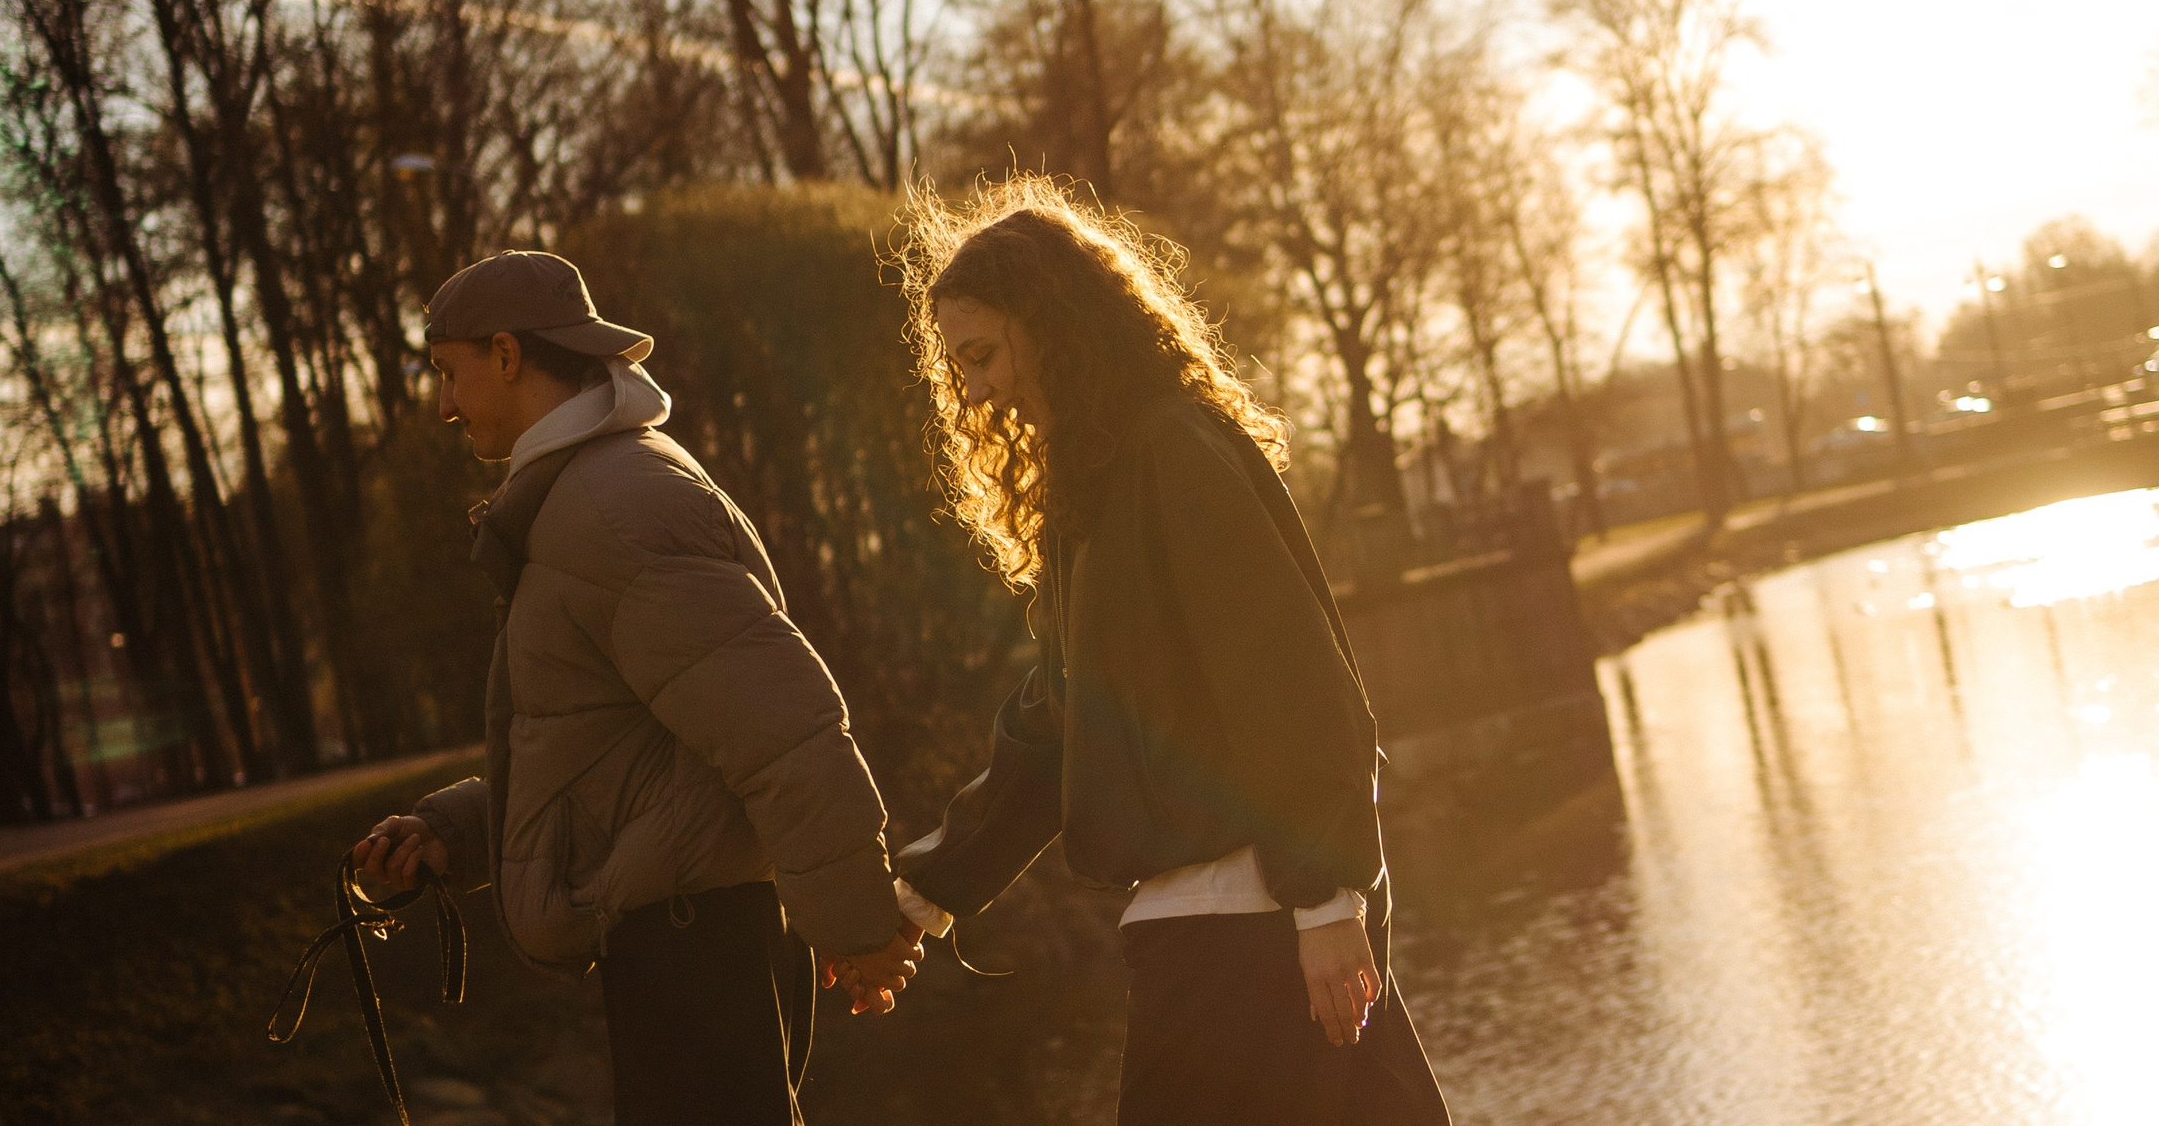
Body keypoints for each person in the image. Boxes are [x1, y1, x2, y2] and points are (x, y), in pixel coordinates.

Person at [889, 182, 1452, 1126]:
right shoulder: (1091, 487)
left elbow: (1289, 676)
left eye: (981, 355)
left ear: (1053, 323)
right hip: (1223, 931)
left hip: (1251, 933)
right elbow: (1061, 718)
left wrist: (1323, 905)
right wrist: (928, 890)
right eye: (960, 368)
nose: (975, 390)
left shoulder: (1172, 453)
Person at [348, 250, 923, 1126]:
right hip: (677, 938)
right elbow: (609, 743)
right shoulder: (585, 497)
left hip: (697, 944)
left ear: (507, 354)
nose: (444, 404)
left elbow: (783, 725)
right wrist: (454, 832)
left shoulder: (615, 506)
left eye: (449, 372)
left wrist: (857, 924)